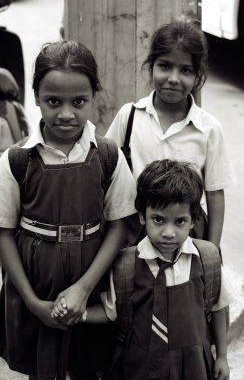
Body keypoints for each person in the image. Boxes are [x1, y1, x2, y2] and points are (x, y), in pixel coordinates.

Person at [0, 41, 137, 380]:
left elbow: (121, 225)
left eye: (79, 102)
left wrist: (84, 288)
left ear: (94, 97)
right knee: (40, 366)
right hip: (34, 282)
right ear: (35, 97)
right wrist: (32, 302)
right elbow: (3, 233)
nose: (66, 114)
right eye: (53, 102)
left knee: (89, 363)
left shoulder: (107, 156)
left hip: (91, 273)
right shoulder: (16, 161)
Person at [56, 159, 232, 380]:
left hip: (193, 365)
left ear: (194, 220)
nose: (168, 232)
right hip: (140, 367)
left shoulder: (207, 259)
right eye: (158, 219)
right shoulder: (126, 265)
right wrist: (78, 314)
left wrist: (223, 356)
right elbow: (111, 312)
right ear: (142, 216)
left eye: (180, 222)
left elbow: (217, 308)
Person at [105, 19, 236, 247]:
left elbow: (215, 194)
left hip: (187, 238)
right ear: (151, 66)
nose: (173, 78)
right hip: (133, 237)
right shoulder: (130, 117)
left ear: (198, 76)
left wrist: (212, 251)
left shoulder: (208, 129)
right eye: (165, 66)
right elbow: (105, 174)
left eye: (185, 70)